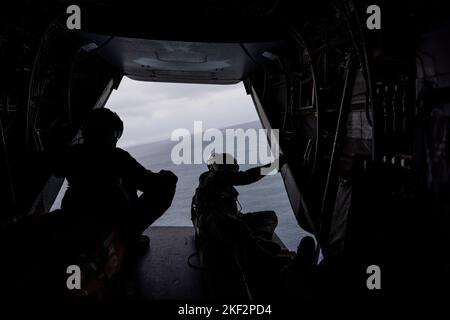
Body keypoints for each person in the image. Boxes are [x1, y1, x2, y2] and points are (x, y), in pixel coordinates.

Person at [52, 108, 178, 250]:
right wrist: (166, 176)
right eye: (115, 134)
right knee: (167, 182)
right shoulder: (117, 157)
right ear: (109, 133)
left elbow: (57, 170)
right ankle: (130, 237)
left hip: (75, 218)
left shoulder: (73, 154)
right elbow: (150, 183)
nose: (116, 139)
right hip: (113, 221)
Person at [192, 152, 288, 269]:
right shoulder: (214, 177)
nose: (233, 170)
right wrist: (274, 166)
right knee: (238, 227)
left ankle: (257, 244)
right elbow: (248, 176)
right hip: (215, 225)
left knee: (269, 217)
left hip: (226, 222)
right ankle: (263, 258)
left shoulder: (217, 183)